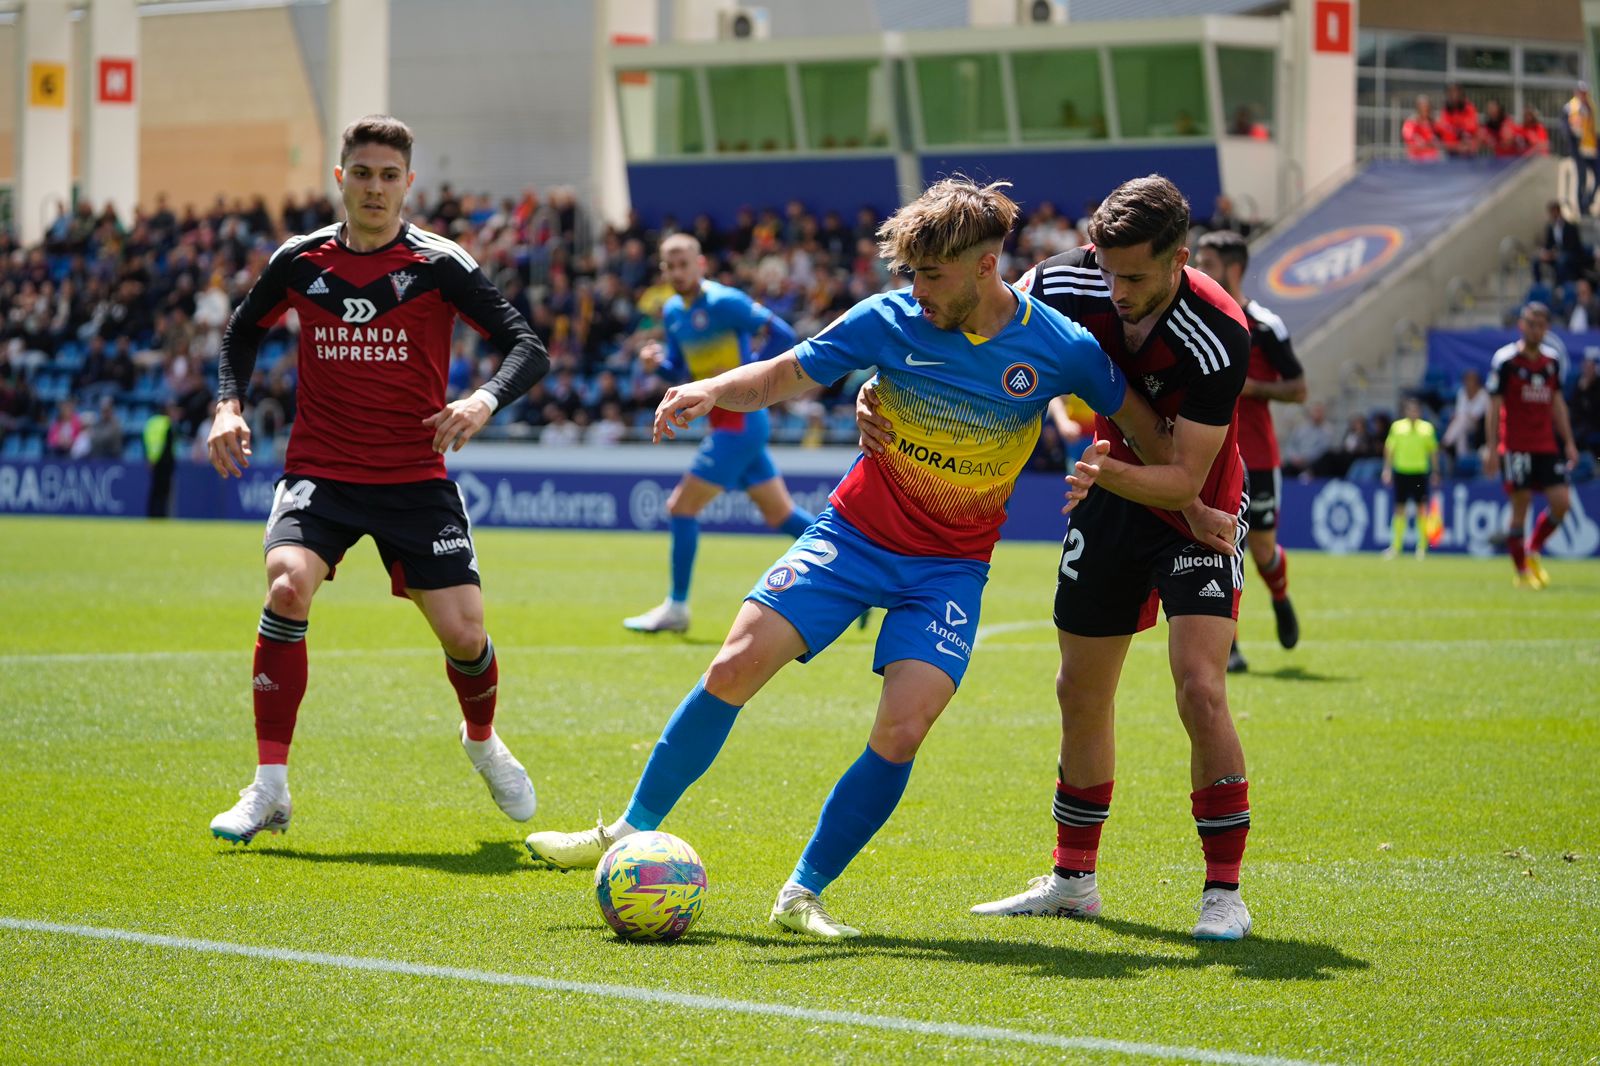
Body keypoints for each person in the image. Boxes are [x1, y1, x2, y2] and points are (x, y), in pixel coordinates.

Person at [525, 177, 1191, 938]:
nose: (917, 292)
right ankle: (625, 831)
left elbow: (1144, 429)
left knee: (903, 730)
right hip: (851, 537)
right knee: (733, 666)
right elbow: (786, 373)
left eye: (931, 276)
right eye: (909, 275)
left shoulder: (1061, 348)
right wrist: (709, 389)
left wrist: (1170, 493)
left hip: (948, 571)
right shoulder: (890, 318)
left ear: (985, 265)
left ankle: (802, 893)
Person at [862, 176, 1255, 941]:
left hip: (1196, 510)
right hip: (1106, 494)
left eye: (1135, 276)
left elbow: (1183, 475)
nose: (1115, 289)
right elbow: (968, 324)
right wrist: (879, 389)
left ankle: (1223, 892)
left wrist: (1106, 470)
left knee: (1201, 689)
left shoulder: (1220, 332)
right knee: (1078, 689)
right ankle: (1074, 879)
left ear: (1181, 257)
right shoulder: (1067, 279)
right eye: (1106, 269)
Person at [204, 115, 550, 844]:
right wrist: (226, 406)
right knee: (285, 586)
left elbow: (527, 344)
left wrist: (482, 399)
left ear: (408, 185)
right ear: (340, 177)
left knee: (464, 633)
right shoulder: (300, 260)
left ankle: (482, 740)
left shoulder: (438, 263)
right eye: (361, 172)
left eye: (389, 176)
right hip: (321, 473)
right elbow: (240, 330)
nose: (374, 187)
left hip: (413, 477)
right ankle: (269, 787)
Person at [620, 232, 815, 634]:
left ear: (701, 264)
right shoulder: (673, 311)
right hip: (729, 421)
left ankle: (676, 608)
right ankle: (852, 570)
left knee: (681, 508)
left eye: (683, 264)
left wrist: (750, 381)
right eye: (669, 266)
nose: (677, 272)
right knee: (780, 514)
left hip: (741, 422)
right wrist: (659, 363)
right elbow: (683, 373)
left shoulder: (725, 302)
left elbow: (782, 334)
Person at [1194, 230, 1306, 673]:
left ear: (1234, 269)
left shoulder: (1264, 325)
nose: (1200, 270)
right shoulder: (1193, 318)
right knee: (1218, 545)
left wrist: (1251, 387)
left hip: (1257, 457)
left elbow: (1299, 388)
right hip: (1210, 454)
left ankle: (1279, 595)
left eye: (1209, 262)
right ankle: (1230, 647)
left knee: (1260, 549)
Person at [1486, 302, 1580, 587]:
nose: (1535, 329)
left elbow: (1557, 403)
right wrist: (1492, 447)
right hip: (1516, 446)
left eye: (1540, 324)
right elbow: (1494, 406)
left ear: (1546, 328)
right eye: (1530, 323)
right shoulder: (1506, 361)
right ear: (1521, 325)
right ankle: (1522, 573)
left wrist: (1569, 442)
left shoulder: (1551, 363)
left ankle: (1533, 548)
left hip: (1546, 445)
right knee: (1521, 505)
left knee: (1562, 503)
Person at [1382, 397, 1441, 559]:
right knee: (1399, 509)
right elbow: (1389, 449)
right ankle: (1396, 546)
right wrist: (1387, 469)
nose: (1413, 413)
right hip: (1401, 472)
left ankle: (1421, 547)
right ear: (1406, 412)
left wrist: (1436, 471)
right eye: (1410, 410)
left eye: (1416, 410)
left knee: (1421, 510)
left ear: (1420, 412)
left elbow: (1433, 451)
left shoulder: (1427, 429)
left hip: (1419, 473)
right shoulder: (1397, 427)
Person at [1441, 369, 1490, 471]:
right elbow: (1459, 412)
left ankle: (1445, 443)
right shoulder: (1462, 392)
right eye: (1466, 380)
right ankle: (1461, 459)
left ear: (1477, 382)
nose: (1468, 383)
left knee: (1461, 420)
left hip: (1480, 428)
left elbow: (1477, 415)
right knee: (1460, 430)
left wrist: (1463, 415)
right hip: (1463, 424)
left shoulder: (1483, 394)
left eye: (1471, 380)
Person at [1567, 82, 1600, 215]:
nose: (1583, 95)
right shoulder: (1571, 107)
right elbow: (1571, 128)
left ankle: (1588, 200)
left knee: (1598, 175)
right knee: (1582, 178)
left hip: (1592, 148)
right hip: (1580, 149)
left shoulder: (1591, 105)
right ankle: (1582, 207)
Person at [1402, 95, 1445, 162]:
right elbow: (1410, 143)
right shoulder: (1410, 123)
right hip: (1416, 159)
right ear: (1418, 108)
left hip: (1433, 160)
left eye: (1427, 107)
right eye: (1422, 107)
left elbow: (1442, 140)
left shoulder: (1435, 123)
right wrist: (1427, 144)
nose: (1425, 110)